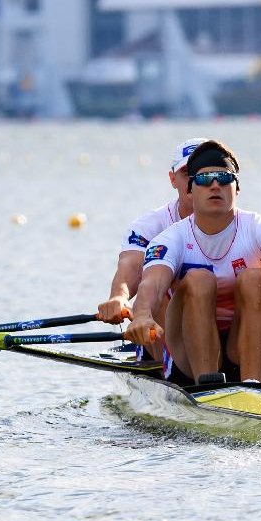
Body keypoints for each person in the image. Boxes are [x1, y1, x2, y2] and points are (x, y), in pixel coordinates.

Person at [126, 140, 261, 384]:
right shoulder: (169, 239)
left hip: (246, 344)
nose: (214, 185)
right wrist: (142, 314)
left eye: (223, 177)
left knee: (255, 278)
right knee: (199, 280)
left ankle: (254, 385)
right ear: (190, 190)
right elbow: (153, 285)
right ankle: (208, 384)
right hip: (188, 353)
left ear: (237, 188)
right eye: (203, 179)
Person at [96, 137, 209, 357]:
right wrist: (119, 297)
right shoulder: (149, 227)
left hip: (225, 328)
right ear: (172, 179)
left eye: (205, 173)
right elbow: (132, 265)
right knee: (161, 285)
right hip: (167, 332)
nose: (196, 181)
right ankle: (174, 367)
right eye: (188, 173)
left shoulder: (248, 224)